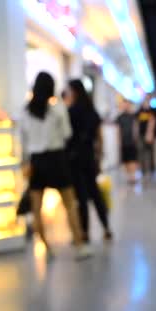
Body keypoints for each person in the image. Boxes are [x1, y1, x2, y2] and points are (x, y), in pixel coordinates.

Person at [20, 72, 90, 259]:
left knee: (36, 209)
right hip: (57, 159)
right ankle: (79, 244)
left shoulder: (26, 112)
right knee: (70, 204)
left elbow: (23, 142)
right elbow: (67, 133)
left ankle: (46, 248)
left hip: (36, 162)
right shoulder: (58, 109)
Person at [65, 79, 113, 243]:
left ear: (74, 92)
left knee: (81, 198)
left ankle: (84, 233)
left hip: (74, 159)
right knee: (96, 194)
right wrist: (99, 156)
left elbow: (66, 137)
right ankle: (106, 227)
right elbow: (99, 137)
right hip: (89, 156)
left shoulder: (70, 112)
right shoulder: (92, 111)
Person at [116, 99, 139, 184]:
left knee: (132, 159)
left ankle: (133, 176)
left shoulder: (133, 116)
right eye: (124, 104)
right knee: (125, 160)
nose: (125, 106)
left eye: (127, 104)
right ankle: (129, 176)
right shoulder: (120, 117)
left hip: (132, 141)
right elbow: (118, 130)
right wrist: (119, 141)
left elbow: (135, 127)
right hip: (123, 141)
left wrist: (135, 138)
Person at [136, 95, 155, 180]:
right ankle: (143, 169)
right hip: (141, 135)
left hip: (150, 135)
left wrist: (150, 133)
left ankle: (151, 168)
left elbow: (153, 122)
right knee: (142, 152)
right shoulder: (139, 111)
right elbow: (136, 122)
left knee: (150, 152)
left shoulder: (151, 111)